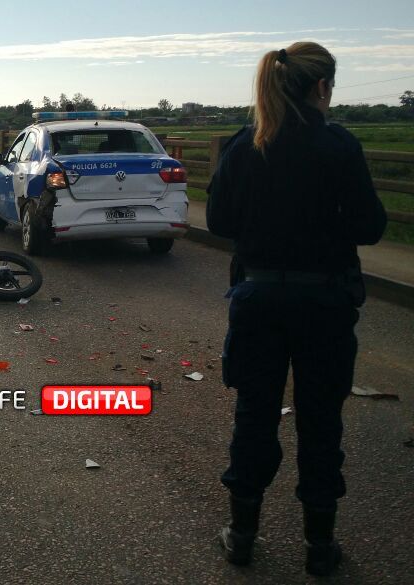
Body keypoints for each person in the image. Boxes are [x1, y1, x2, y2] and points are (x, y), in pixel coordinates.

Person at [207, 42, 386, 576]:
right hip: (325, 303)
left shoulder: (245, 145)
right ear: (322, 86)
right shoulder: (338, 145)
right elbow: (371, 226)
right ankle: (318, 545)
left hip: (259, 299)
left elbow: (218, 221)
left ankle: (241, 535)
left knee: (255, 415)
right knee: (321, 421)